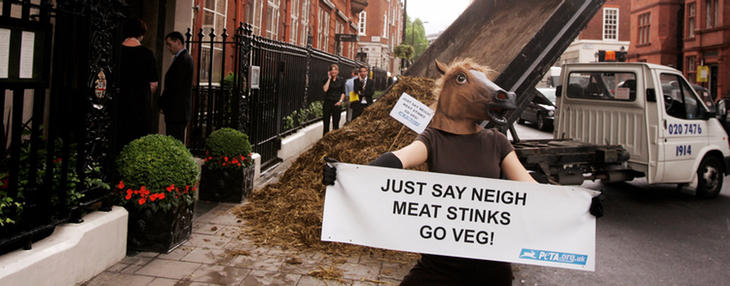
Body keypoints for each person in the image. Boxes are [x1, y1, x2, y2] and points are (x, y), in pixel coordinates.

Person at [323, 59, 603, 285]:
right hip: (440, 265)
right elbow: (400, 158)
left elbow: (531, 187)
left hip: (490, 269)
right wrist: (350, 177)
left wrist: (579, 205)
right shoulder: (432, 139)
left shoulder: (497, 142)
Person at [118, 18, 158, 151]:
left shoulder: (116, 51)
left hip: (119, 102)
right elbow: (154, 83)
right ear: (142, 34)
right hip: (140, 105)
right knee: (137, 143)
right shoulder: (147, 54)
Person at [159, 31, 194, 143]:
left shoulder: (184, 59)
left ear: (178, 42)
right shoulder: (182, 58)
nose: (168, 48)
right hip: (176, 110)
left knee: (175, 141)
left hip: (177, 111)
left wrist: (162, 103)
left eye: (170, 44)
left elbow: (174, 86)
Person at [322, 64, 345, 135]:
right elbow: (325, 89)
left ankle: (334, 139)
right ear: (329, 71)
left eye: (335, 70)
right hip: (328, 103)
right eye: (332, 70)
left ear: (338, 71)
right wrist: (329, 79)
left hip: (336, 103)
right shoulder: (326, 79)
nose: (333, 71)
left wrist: (340, 101)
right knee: (326, 123)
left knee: (336, 123)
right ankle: (325, 138)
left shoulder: (341, 80)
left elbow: (343, 92)